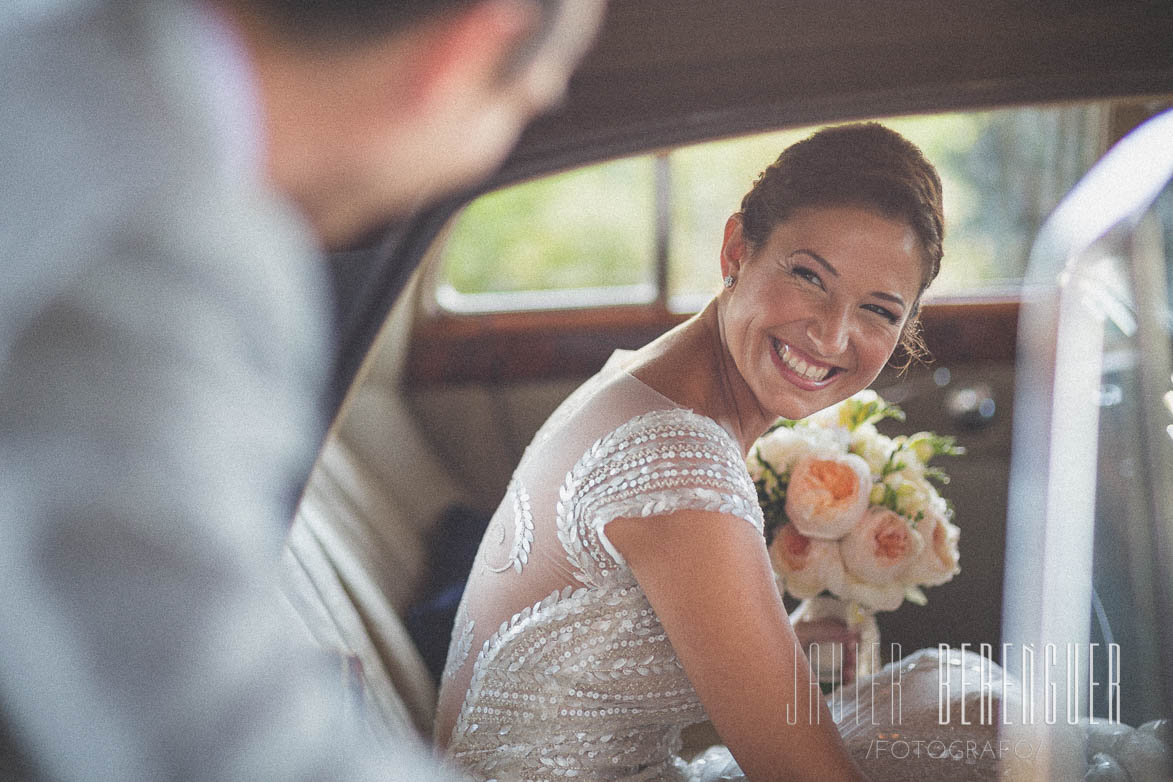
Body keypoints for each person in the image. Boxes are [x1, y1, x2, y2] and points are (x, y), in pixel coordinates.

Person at [0, 1, 603, 780]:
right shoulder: (174, 239)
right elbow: (204, 733)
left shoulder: (56, 70)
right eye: (522, 105)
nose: (488, 151)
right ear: (460, 52)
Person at [434, 123, 945, 781]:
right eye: (809, 276)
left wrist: (776, 652)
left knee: (962, 709)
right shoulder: (678, 458)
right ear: (735, 249)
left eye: (878, 311)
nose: (831, 333)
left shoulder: (646, 383)